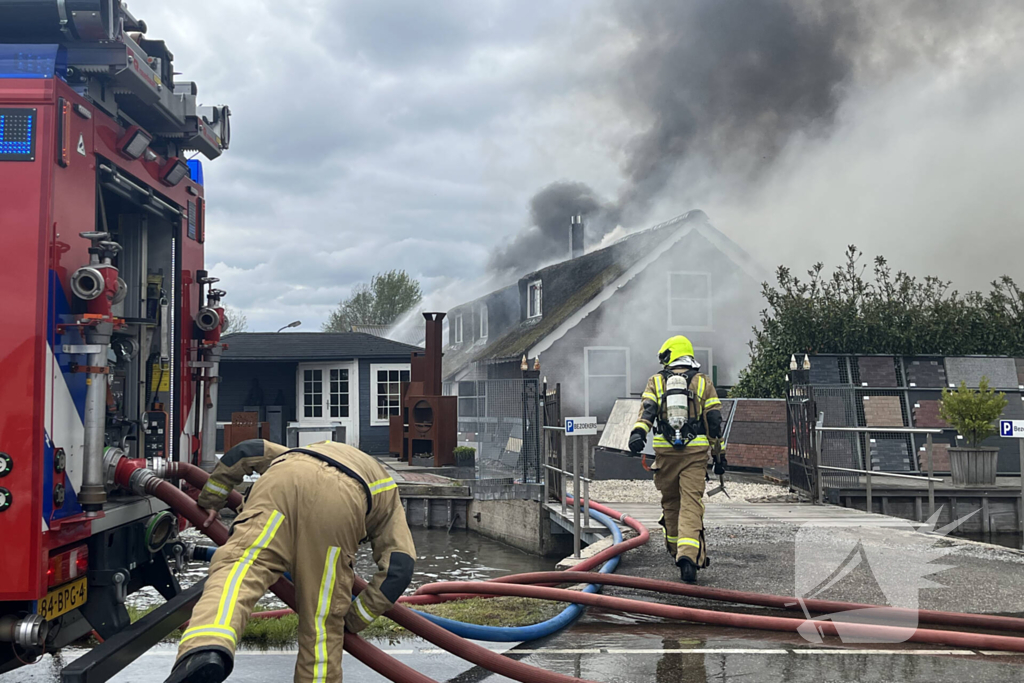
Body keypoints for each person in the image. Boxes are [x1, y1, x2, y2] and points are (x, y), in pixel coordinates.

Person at [166, 439, 416, 683]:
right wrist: (352, 619)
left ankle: (204, 647)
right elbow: (399, 568)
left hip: (280, 483)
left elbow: (245, 451)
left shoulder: (298, 452)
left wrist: (210, 500)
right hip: (342, 506)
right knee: (321, 624)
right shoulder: (388, 492)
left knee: (238, 570)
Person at [628, 336, 724, 584]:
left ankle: (674, 550)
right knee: (691, 503)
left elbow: (647, 411)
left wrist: (638, 434)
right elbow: (714, 423)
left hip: (665, 453)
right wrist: (719, 455)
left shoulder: (657, 382)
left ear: (669, 356)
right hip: (695, 453)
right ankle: (688, 556)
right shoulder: (704, 383)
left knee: (671, 503)